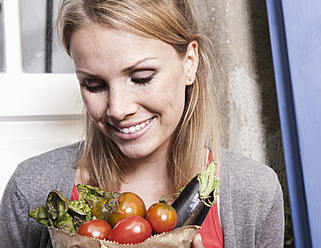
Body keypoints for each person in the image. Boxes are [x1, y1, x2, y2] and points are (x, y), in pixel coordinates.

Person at [0, 0, 284, 247]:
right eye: (94, 85)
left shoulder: (253, 193)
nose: (118, 109)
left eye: (142, 78)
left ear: (190, 63)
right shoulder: (31, 189)